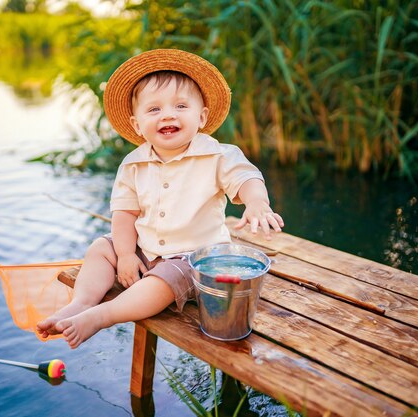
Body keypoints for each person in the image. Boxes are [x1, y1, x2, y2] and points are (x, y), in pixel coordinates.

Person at [36, 49, 284, 349]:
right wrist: (126, 255)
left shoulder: (218, 154)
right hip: (145, 248)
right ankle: (82, 302)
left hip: (193, 258)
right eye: (153, 110)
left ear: (201, 116)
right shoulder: (133, 163)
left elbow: (247, 178)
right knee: (101, 247)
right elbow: (125, 214)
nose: (168, 114)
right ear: (137, 124)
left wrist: (257, 202)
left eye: (181, 106)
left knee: (165, 280)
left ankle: (103, 315)